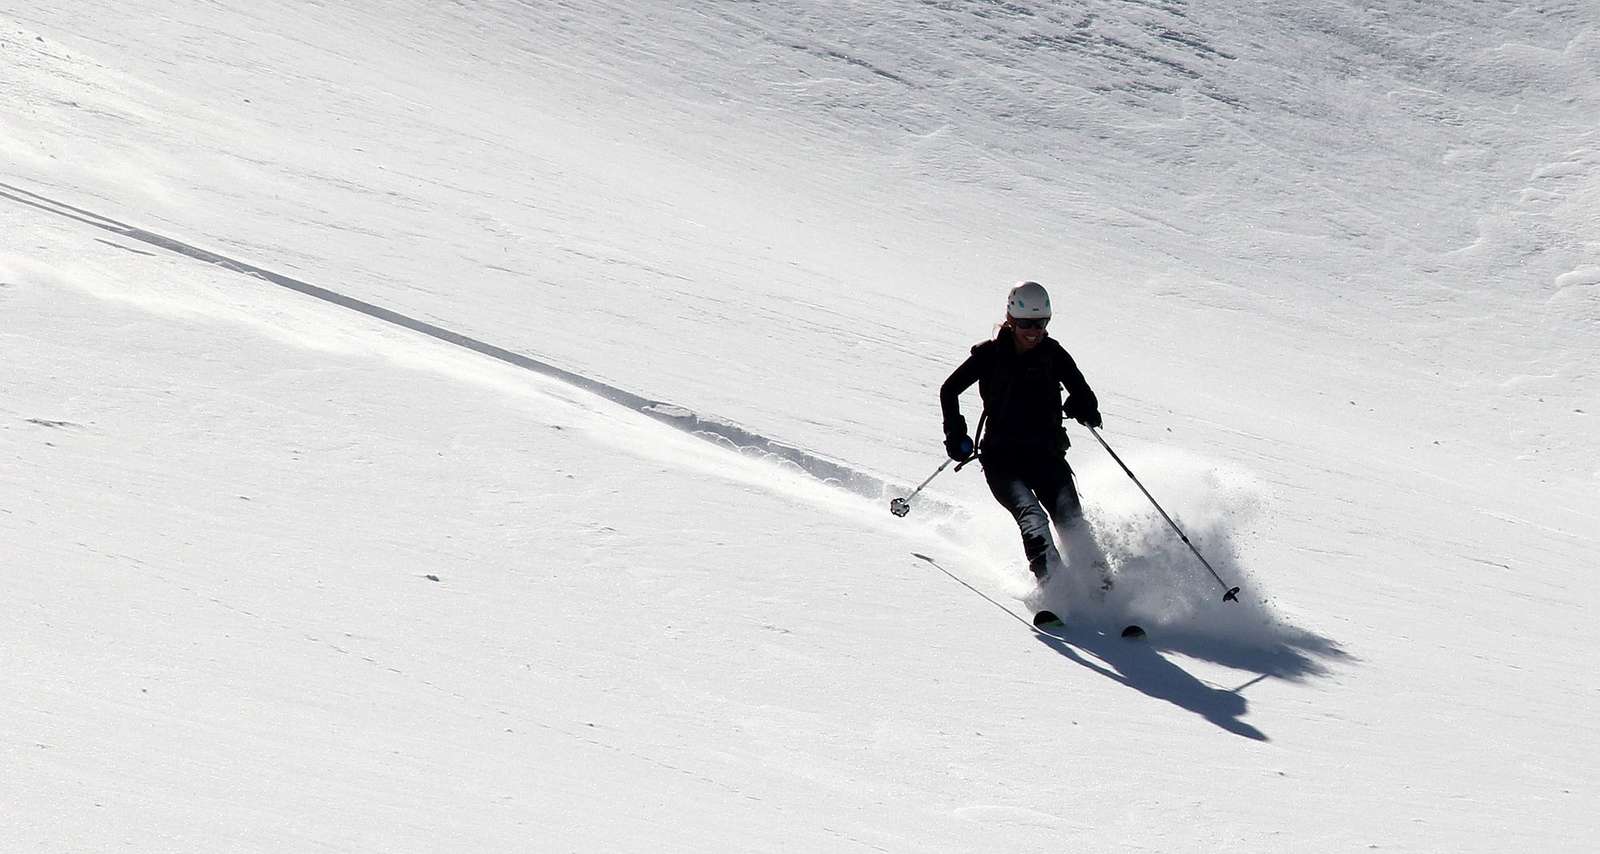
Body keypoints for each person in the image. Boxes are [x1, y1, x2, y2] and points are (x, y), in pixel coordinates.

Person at [939, 281, 1110, 587]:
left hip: (1047, 456)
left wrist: (1084, 406)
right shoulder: (989, 355)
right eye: (1025, 324)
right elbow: (949, 390)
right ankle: (1056, 590)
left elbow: (1084, 393)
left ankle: (1105, 591)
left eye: (1040, 323)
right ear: (1010, 320)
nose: (1033, 331)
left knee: (1072, 522)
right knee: (1032, 518)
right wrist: (955, 434)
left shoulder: (1053, 354)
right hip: (1002, 461)